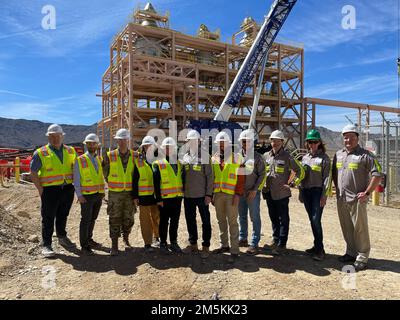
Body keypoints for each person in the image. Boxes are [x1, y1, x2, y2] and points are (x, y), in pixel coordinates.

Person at [332, 124, 382, 271]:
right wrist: (336, 188)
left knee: (360, 229)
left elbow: (377, 174)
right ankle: (350, 252)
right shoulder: (338, 154)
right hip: (342, 198)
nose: (348, 140)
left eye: (352, 137)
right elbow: (335, 173)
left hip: (357, 199)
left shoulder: (365, 155)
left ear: (357, 138)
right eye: (346, 137)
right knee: (346, 227)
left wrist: (367, 193)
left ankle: (362, 256)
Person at [30, 124, 77, 258]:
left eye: (58, 136)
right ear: (48, 137)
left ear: (62, 136)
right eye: (52, 136)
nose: (56, 139)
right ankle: (46, 244)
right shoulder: (41, 153)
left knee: (63, 215)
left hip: (67, 188)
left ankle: (62, 237)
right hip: (50, 190)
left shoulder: (70, 151)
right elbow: (33, 172)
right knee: (48, 217)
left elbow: (76, 169)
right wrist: (40, 189)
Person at [262, 130, 304, 255]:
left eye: (277, 140)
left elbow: (300, 171)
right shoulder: (266, 156)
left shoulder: (287, 156)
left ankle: (282, 244)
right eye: (272, 140)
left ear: (282, 142)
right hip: (269, 192)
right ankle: (275, 240)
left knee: (283, 219)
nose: (274, 142)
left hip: (281, 193)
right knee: (273, 217)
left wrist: (292, 183)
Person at [212, 131, 245, 263]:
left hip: (232, 195)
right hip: (218, 194)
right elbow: (212, 178)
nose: (221, 145)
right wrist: (212, 195)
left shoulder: (237, 158)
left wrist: (238, 194)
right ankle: (224, 245)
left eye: (223, 143)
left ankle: (235, 250)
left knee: (232, 222)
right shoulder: (213, 159)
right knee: (221, 220)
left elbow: (241, 179)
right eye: (219, 143)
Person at [102, 128, 136, 256]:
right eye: (119, 140)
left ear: (127, 140)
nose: (121, 142)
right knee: (114, 218)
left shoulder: (134, 155)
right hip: (115, 194)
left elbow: (136, 174)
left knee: (129, 218)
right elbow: (105, 173)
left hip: (129, 193)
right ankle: (114, 244)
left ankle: (126, 239)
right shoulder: (110, 155)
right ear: (117, 140)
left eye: (124, 139)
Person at [181, 130, 214, 259]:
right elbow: (183, 175)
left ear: (199, 141)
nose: (192, 143)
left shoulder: (205, 156)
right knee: (190, 220)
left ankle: (206, 247)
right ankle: (193, 244)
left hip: (202, 196)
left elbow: (210, 177)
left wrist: (208, 195)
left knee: (205, 221)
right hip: (188, 196)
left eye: (194, 140)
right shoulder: (185, 156)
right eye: (190, 141)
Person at [300, 129, 331, 261]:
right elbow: (301, 176)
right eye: (310, 142)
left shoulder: (324, 158)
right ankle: (316, 245)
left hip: (318, 192)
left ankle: (320, 250)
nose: (312, 144)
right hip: (306, 191)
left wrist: (324, 196)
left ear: (319, 143)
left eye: (315, 142)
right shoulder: (305, 158)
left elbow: (327, 179)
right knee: (312, 220)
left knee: (315, 220)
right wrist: (301, 192)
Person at [73, 133, 105, 256]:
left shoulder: (98, 159)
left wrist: (102, 193)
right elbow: (76, 179)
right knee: (85, 220)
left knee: (93, 219)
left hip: (98, 195)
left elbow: (99, 176)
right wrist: (79, 195)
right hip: (86, 196)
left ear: (97, 145)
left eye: (94, 143)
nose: (92, 145)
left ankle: (89, 239)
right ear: (86, 145)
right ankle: (84, 245)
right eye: (89, 143)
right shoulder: (80, 160)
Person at [237, 129, 266, 255]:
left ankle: (254, 243)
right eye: (244, 142)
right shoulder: (237, 157)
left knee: (254, 217)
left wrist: (255, 189)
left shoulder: (258, 157)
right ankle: (243, 238)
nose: (246, 144)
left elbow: (262, 174)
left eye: (248, 142)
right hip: (240, 192)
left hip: (252, 192)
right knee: (241, 216)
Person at [153, 137, 183, 254]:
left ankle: (174, 242)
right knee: (164, 221)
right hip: (164, 199)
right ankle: (163, 243)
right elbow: (156, 183)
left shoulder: (178, 163)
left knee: (175, 221)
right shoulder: (158, 163)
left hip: (177, 198)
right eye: (166, 147)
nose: (169, 149)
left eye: (171, 147)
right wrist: (159, 199)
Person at [132, 135, 160, 253]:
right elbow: (134, 179)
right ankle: (147, 243)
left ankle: (157, 237)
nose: (148, 147)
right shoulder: (138, 161)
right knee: (145, 220)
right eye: (146, 146)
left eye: (150, 145)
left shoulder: (159, 159)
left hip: (156, 196)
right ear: (143, 148)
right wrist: (135, 196)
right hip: (143, 196)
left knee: (157, 217)